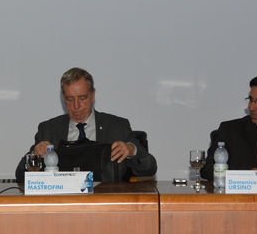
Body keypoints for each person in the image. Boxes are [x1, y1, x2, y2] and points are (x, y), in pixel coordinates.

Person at [16, 67, 157, 182]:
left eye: (82, 98)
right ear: (63, 98)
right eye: (70, 99)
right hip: (62, 201)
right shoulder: (49, 129)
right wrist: (35, 155)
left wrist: (132, 151)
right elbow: (21, 175)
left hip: (105, 200)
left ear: (93, 96)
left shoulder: (116, 127)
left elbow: (150, 168)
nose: (76, 106)